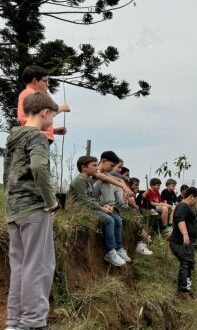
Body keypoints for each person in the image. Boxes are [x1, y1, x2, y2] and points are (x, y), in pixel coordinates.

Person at [4, 91, 59, 330]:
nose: (52, 122)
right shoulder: (37, 137)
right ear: (45, 112)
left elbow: (7, 174)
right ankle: (34, 322)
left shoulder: (13, 137)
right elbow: (38, 167)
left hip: (14, 208)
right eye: (53, 117)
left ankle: (15, 322)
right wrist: (50, 200)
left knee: (20, 267)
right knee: (40, 266)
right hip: (34, 208)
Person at [69, 155, 129, 266]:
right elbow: (84, 200)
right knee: (109, 220)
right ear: (84, 167)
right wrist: (101, 208)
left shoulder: (88, 180)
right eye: (94, 165)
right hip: (82, 209)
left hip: (90, 206)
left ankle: (118, 248)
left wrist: (105, 205)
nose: (96, 168)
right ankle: (110, 252)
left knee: (117, 219)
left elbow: (92, 199)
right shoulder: (79, 181)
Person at [17, 65, 70, 143]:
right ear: (35, 81)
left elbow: (33, 121)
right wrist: (62, 108)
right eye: (45, 81)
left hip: (36, 136)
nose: (47, 84)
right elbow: (44, 113)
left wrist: (53, 131)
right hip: (38, 138)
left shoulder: (26, 94)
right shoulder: (33, 95)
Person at [169, 187, 197, 300]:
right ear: (191, 196)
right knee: (185, 263)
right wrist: (185, 234)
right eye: (196, 198)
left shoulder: (186, 207)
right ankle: (182, 292)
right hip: (180, 242)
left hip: (187, 243)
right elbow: (180, 220)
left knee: (188, 264)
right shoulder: (182, 206)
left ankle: (186, 290)